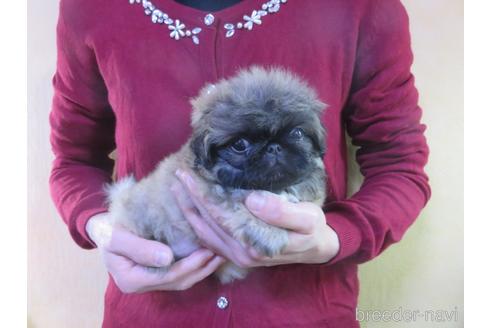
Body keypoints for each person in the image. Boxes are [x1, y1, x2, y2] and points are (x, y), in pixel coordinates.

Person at [49, 0, 431, 327]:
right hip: (151, 314)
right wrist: (104, 229)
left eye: (294, 136)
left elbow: (400, 164)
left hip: (305, 313)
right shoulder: (92, 7)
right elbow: (73, 158)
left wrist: (334, 238)